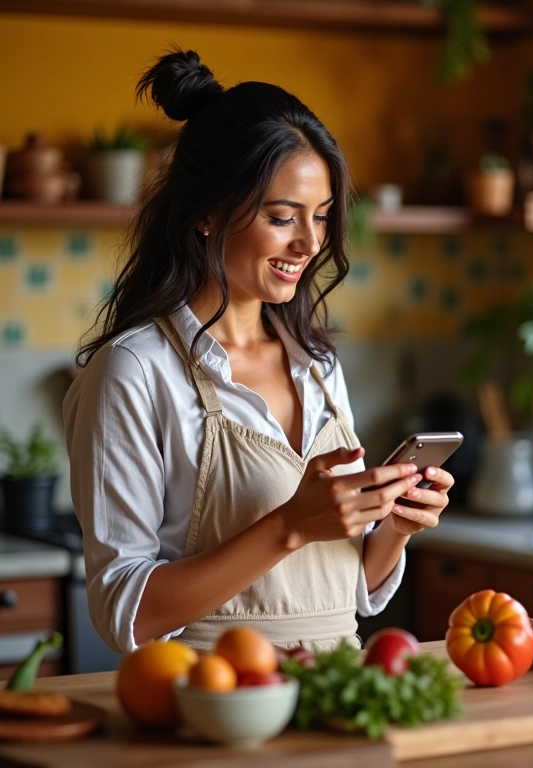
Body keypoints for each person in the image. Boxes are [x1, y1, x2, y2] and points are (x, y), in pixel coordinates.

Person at [64, 48, 455, 656]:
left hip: (336, 697)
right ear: (207, 214)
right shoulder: (135, 371)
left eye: (322, 218)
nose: (309, 243)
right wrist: (290, 525)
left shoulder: (318, 366)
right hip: (208, 704)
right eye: (282, 217)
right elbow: (125, 611)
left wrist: (396, 526)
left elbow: (344, 589)